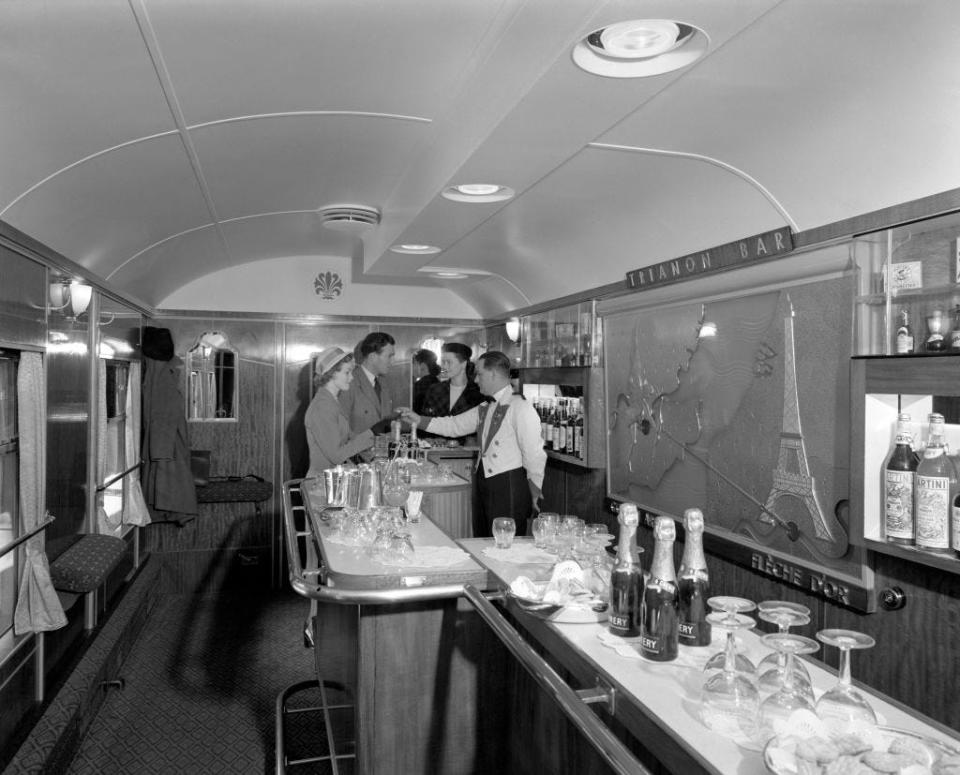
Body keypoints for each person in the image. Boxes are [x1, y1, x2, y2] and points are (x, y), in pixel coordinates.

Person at [401, 351, 545, 538]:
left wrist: (534, 491)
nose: (476, 380)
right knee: (482, 536)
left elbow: (534, 454)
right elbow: (454, 425)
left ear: (493, 374)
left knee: (505, 541)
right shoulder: (485, 407)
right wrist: (418, 420)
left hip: (507, 483)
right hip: (483, 479)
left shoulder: (521, 407)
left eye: (480, 374)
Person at [305, 347, 374, 476]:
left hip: (334, 478)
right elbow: (337, 455)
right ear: (331, 374)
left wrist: (372, 443)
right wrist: (371, 434)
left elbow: (346, 437)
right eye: (347, 372)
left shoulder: (332, 401)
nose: (351, 378)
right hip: (322, 483)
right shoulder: (322, 407)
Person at [420, 343, 485, 444]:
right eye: (443, 361)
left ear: (463, 364)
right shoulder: (435, 389)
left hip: (467, 453)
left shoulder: (479, 391)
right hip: (436, 451)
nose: (444, 366)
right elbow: (425, 422)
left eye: (449, 362)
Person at [339, 331, 396, 436]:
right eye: (389, 356)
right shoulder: (348, 383)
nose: (392, 361)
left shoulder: (383, 384)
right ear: (373, 357)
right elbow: (339, 430)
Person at [411, 348, 440, 415]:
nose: (411, 366)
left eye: (414, 363)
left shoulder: (420, 385)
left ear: (422, 366)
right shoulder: (436, 381)